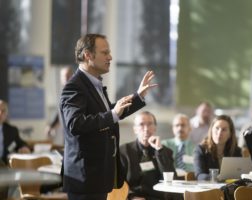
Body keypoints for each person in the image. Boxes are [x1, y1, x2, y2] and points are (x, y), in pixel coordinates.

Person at [59, 34, 157, 200]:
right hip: (85, 179)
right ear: (87, 55)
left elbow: (110, 112)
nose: (110, 57)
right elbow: (75, 123)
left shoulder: (93, 83)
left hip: (97, 177)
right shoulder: (74, 86)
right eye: (105, 53)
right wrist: (112, 114)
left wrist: (137, 97)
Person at [120, 111, 181, 200]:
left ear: (155, 128)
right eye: (141, 124)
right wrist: (130, 196)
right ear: (135, 129)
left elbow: (171, 179)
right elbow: (119, 183)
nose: (146, 129)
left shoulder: (165, 152)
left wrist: (159, 151)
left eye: (150, 124)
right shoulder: (124, 151)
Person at [193, 115, 241, 181]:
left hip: (230, 189)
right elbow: (199, 175)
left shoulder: (236, 151)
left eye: (224, 130)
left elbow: (240, 175)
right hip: (208, 190)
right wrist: (217, 178)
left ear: (230, 134)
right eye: (217, 128)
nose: (219, 133)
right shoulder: (201, 150)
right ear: (211, 130)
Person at [45, 66, 73, 146]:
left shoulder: (75, 92)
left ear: (72, 76)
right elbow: (60, 112)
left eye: (67, 76)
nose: (65, 79)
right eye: (63, 76)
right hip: (65, 134)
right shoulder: (63, 93)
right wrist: (51, 126)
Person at [0, 100, 31, 164]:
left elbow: (20, 144)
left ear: (6, 114)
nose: (0, 113)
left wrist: (24, 148)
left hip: (5, 167)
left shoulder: (12, 130)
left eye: (3, 111)